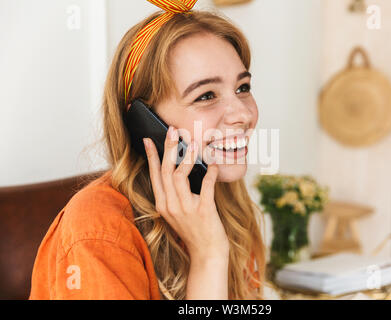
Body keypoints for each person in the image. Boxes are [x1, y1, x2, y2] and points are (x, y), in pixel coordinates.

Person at [29, 0, 266, 300]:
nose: (242, 115)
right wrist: (209, 256)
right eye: (206, 95)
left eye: (242, 88)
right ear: (144, 122)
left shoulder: (225, 199)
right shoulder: (96, 229)